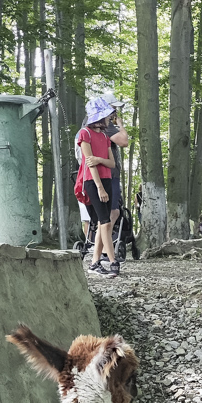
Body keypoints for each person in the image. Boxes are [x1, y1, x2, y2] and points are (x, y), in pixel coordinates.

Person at [74, 97, 120, 276]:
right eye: (107, 116)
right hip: (92, 182)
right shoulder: (85, 133)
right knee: (105, 222)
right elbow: (89, 164)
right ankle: (113, 261)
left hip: (107, 179)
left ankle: (94, 263)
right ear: (99, 118)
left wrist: (100, 159)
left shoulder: (104, 137)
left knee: (104, 222)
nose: (109, 119)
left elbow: (111, 163)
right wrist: (99, 187)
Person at [87, 96, 129, 269]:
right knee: (108, 216)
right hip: (103, 177)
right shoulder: (103, 128)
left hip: (108, 174)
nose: (114, 112)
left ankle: (97, 258)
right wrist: (120, 124)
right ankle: (105, 256)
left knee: (109, 216)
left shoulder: (101, 132)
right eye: (113, 108)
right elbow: (124, 141)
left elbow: (110, 161)